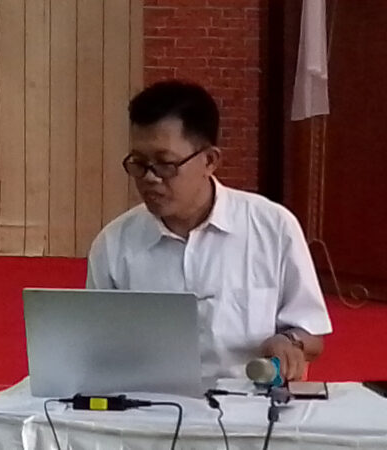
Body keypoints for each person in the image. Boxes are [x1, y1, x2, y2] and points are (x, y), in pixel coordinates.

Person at [86, 80, 332, 382]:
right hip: (149, 400)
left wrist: (289, 342)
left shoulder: (273, 227)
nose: (149, 178)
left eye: (165, 164)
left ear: (210, 161)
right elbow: (93, 343)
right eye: (139, 163)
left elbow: (312, 332)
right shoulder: (114, 243)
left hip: (249, 400)